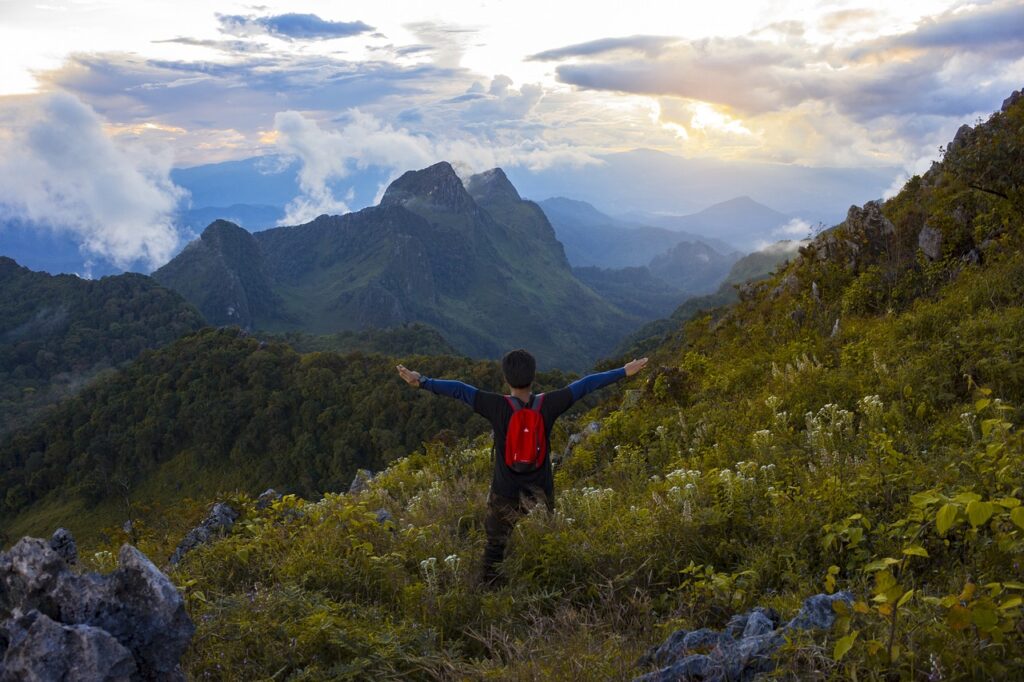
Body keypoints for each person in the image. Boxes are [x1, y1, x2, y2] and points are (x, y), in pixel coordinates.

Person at [397, 350, 648, 586]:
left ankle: (491, 592)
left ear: (506, 378)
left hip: (504, 490)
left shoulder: (495, 405)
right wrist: (623, 371)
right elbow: (585, 385)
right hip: (540, 489)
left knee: (495, 547)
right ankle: (547, 586)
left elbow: (460, 390)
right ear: (534, 376)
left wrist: (423, 381)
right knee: (545, 540)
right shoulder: (549, 403)